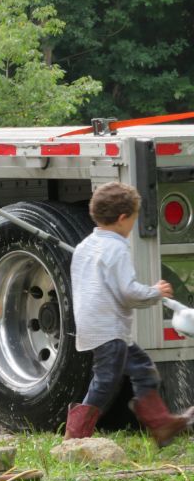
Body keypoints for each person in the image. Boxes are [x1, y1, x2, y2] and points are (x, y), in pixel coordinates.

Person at [66, 181, 194, 446]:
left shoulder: (85, 246)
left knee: (143, 370)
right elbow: (128, 293)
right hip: (110, 331)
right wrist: (155, 292)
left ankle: (161, 425)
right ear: (123, 219)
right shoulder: (117, 249)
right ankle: (74, 436)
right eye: (134, 219)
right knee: (104, 383)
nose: (133, 225)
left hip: (97, 327)